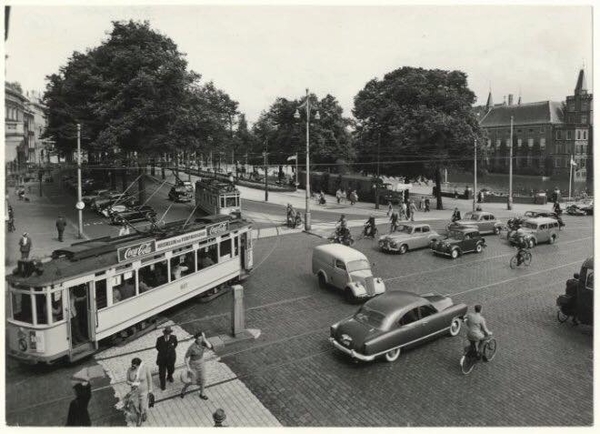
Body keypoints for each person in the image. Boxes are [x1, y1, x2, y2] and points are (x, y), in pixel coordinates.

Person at [181, 331, 214, 400]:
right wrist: (188, 368)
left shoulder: (203, 343)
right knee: (192, 381)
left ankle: (202, 394)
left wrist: (204, 339)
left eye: (201, 339)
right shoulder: (192, 348)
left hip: (201, 363)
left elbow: (210, 346)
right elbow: (186, 358)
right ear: (196, 339)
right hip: (193, 364)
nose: (200, 340)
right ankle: (184, 389)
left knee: (203, 379)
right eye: (199, 339)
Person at [126, 357, 153, 426]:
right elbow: (127, 380)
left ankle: (141, 416)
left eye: (136, 366)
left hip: (144, 391)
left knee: (143, 406)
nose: (134, 367)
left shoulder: (145, 368)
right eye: (133, 365)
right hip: (134, 392)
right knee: (136, 406)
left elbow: (149, 379)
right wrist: (131, 383)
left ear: (139, 365)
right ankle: (140, 415)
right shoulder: (130, 370)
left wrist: (150, 390)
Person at [155, 326, 178, 391]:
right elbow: (157, 347)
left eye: (169, 333)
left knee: (171, 369)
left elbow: (175, 344)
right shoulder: (159, 339)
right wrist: (163, 352)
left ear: (170, 333)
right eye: (166, 333)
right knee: (162, 373)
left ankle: (169, 376)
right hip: (162, 359)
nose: (167, 335)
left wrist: (170, 351)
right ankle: (163, 385)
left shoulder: (174, 338)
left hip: (171, 359)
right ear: (164, 333)